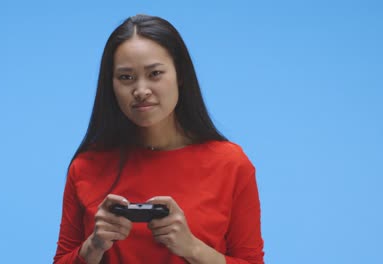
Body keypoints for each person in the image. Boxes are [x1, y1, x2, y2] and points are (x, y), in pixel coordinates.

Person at [53, 14, 264, 264]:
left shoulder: (231, 164)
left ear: (180, 75)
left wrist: (192, 248)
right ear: (110, 85)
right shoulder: (85, 166)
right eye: (126, 77)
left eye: (155, 74)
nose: (141, 90)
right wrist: (93, 246)